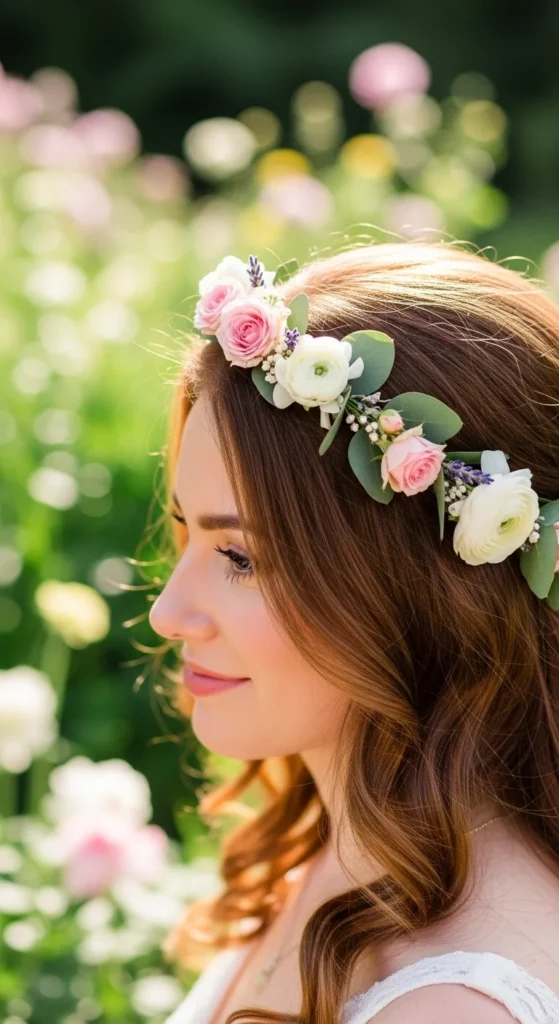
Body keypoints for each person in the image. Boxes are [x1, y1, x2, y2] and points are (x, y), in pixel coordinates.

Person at [148, 240, 559, 1024]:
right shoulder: (336, 844)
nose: (167, 613)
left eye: (239, 556)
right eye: (183, 531)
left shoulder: (450, 1009)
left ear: (420, 588)